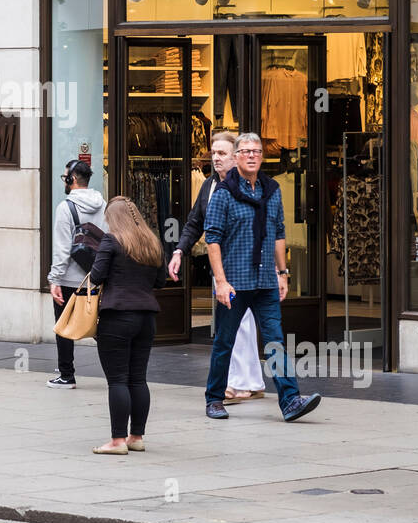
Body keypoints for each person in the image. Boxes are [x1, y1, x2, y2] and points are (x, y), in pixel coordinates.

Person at [203, 132, 321, 423]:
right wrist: (221, 281)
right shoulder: (224, 193)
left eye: (257, 151)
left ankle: (290, 400)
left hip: (266, 281)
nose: (252, 155)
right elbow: (213, 240)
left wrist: (283, 272)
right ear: (237, 157)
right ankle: (214, 399)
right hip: (235, 282)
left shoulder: (273, 190)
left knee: (275, 342)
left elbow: (278, 232)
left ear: (261, 156)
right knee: (224, 343)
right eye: (246, 151)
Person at [169, 131, 265, 403]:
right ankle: (251, 382)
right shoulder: (209, 186)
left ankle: (237, 384)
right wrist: (179, 251)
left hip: (244, 265)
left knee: (239, 323)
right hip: (220, 266)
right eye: (213, 153)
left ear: (236, 157)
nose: (215, 158)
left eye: (222, 153)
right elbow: (194, 222)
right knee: (237, 324)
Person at [88, 196, 166, 454]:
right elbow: (161, 281)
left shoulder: (111, 241)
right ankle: (136, 436)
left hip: (117, 317)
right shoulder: (152, 242)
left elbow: (97, 276)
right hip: (147, 318)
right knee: (138, 379)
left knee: (118, 380)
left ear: (114, 219)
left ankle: (117, 440)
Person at [46, 159, 107, 388]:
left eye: (65, 178)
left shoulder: (65, 208)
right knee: (99, 326)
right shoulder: (103, 204)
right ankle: (114, 372)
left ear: (72, 180)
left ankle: (66, 374)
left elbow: (62, 249)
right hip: (95, 276)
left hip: (70, 277)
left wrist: (54, 279)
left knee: (64, 326)